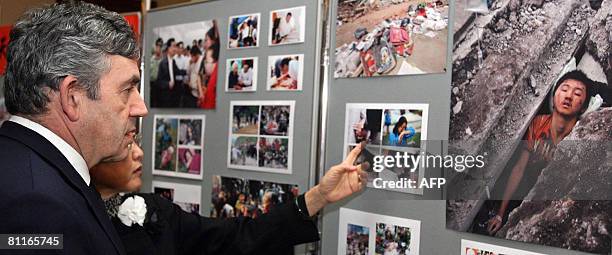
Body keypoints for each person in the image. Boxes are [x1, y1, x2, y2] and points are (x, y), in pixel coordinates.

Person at [0, 2, 147, 254]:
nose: (140, 107)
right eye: (127, 90)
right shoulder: (37, 205)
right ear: (72, 97)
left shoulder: (26, 165)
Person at [90, 133, 370, 255]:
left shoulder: (155, 213)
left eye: (136, 142)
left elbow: (238, 237)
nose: (139, 153)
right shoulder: (61, 217)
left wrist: (318, 196)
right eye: (127, 145)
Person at [486, 70, 594, 235]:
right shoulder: (538, 123)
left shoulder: (580, 138)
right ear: (554, 95)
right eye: (564, 89)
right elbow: (519, 168)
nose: (569, 96)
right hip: (524, 189)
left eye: (577, 93)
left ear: (584, 106)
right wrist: (500, 214)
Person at [156, 38, 186, 107]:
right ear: (168, 48)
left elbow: (178, 71)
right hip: (165, 96)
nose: (175, 48)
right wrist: (167, 84)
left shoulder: (173, 61)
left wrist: (188, 71)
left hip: (173, 94)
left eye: (176, 46)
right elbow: (159, 82)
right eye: (173, 46)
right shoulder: (162, 63)